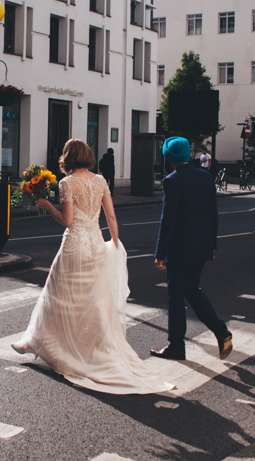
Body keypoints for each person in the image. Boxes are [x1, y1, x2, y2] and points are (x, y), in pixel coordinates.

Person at [11, 139, 173, 395]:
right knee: (91, 300)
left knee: (58, 296)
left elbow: (67, 220)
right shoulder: (100, 181)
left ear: (67, 157)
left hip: (75, 245)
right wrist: (116, 243)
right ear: (87, 156)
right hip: (96, 243)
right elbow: (110, 216)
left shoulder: (66, 183)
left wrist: (47, 206)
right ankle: (82, 348)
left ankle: (37, 342)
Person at [152, 136, 233, 361]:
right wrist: (212, 245)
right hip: (202, 246)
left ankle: (179, 345)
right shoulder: (206, 177)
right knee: (191, 290)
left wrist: (160, 253)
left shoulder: (171, 181)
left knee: (176, 298)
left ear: (168, 157)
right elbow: (212, 214)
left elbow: (168, 221)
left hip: (180, 250)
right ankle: (218, 332)